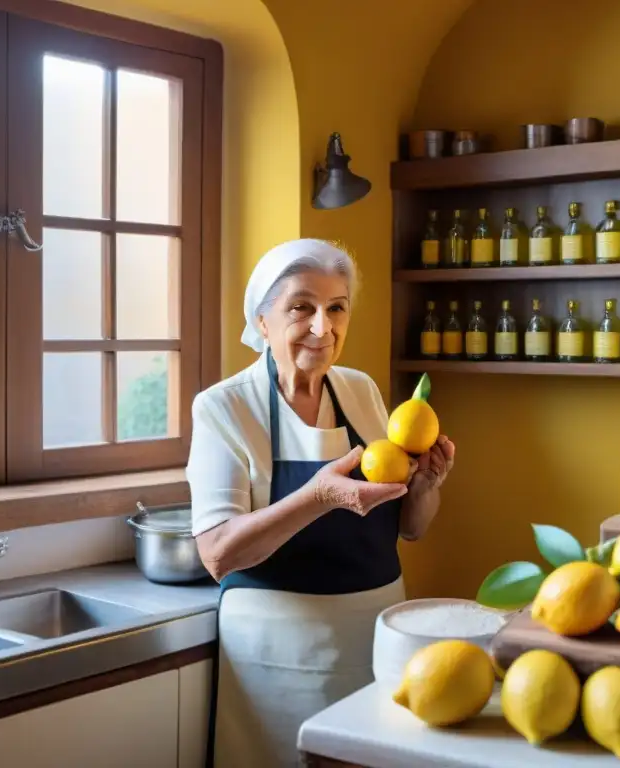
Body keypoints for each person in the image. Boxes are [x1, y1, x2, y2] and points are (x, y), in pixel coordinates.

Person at [187, 238, 455, 767]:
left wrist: (425, 487)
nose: (322, 327)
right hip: (274, 658)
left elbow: (410, 529)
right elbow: (218, 554)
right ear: (262, 322)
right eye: (300, 308)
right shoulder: (224, 407)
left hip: (376, 643)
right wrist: (318, 496)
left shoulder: (360, 391)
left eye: (336, 309)